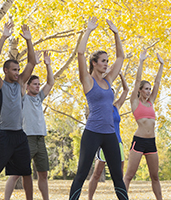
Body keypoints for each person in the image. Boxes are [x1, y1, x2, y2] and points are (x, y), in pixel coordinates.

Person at [69, 16, 128, 200]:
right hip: (92, 132)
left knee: (118, 176)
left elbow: (121, 57)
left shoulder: (108, 80)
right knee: (81, 174)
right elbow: (80, 54)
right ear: (94, 63)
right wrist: (88, 30)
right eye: (103, 60)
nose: (106, 63)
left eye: (107, 61)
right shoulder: (87, 80)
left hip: (110, 134)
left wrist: (116, 34)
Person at [0, 21, 38, 200]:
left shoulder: (21, 83)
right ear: (5, 70)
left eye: (18, 70)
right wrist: (4, 36)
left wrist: (29, 40)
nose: (17, 72)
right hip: (2, 135)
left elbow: (32, 62)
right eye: (14, 70)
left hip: (19, 136)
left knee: (26, 172)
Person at [3, 51, 57, 200]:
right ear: (27, 86)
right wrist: (33, 63)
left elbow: (51, 82)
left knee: (43, 174)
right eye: (35, 84)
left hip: (40, 139)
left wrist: (48, 65)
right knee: (16, 173)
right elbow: (22, 80)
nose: (38, 87)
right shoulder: (22, 97)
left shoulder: (39, 98)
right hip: (26, 139)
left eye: (39, 84)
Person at [122, 49, 165, 200]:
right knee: (129, 175)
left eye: (149, 89)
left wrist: (161, 65)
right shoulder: (134, 101)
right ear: (140, 91)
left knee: (155, 176)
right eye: (146, 89)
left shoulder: (151, 101)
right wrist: (141, 61)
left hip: (151, 142)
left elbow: (157, 82)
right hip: (139, 141)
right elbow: (137, 80)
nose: (149, 91)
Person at [87, 72, 129, 200]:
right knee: (97, 173)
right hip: (103, 142)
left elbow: (126, 90)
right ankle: (89, 198)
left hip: (118, 143)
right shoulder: (97, 107)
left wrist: (121, 76)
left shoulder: (116, 106)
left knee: (119, 175)